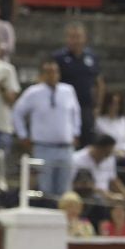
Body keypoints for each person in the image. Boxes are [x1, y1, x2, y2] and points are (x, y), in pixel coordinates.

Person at [12, 58, 81, 202]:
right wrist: (23, 135)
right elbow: (17, 112)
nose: (52, 75)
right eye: (48, 72)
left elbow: (76, 113)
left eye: (55, 72)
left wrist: (76, 132)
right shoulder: (33, 93)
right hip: (43, 147)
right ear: (42, 74)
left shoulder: (68, 90)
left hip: (65, 147)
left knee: (65, 190)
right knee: (46, 189)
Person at [53, 22, 104, 147]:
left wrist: (98, 106)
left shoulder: (91, 57)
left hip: (85, 107)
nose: (75, 41)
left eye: (78, 37)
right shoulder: (59, 58)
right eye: (72, 37)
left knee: (87, 141)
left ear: (84, 38)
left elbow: (99, 83)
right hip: (65, 108)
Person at [71, 134, 125, 213]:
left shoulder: (109, 158)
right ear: (98, 148)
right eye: (106, 153)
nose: (107, 156)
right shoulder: (76, 159)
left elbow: (113, 180)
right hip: (85, 198)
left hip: (106, 199)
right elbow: (73, 184)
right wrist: (104, 194)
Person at [92, 93, 125, 191]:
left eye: (117, 104)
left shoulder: (123, 120)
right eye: (112, 104)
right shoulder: (100, 121)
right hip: (109, 153)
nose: (114, 107)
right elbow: (102, 142)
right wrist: (116, 152)